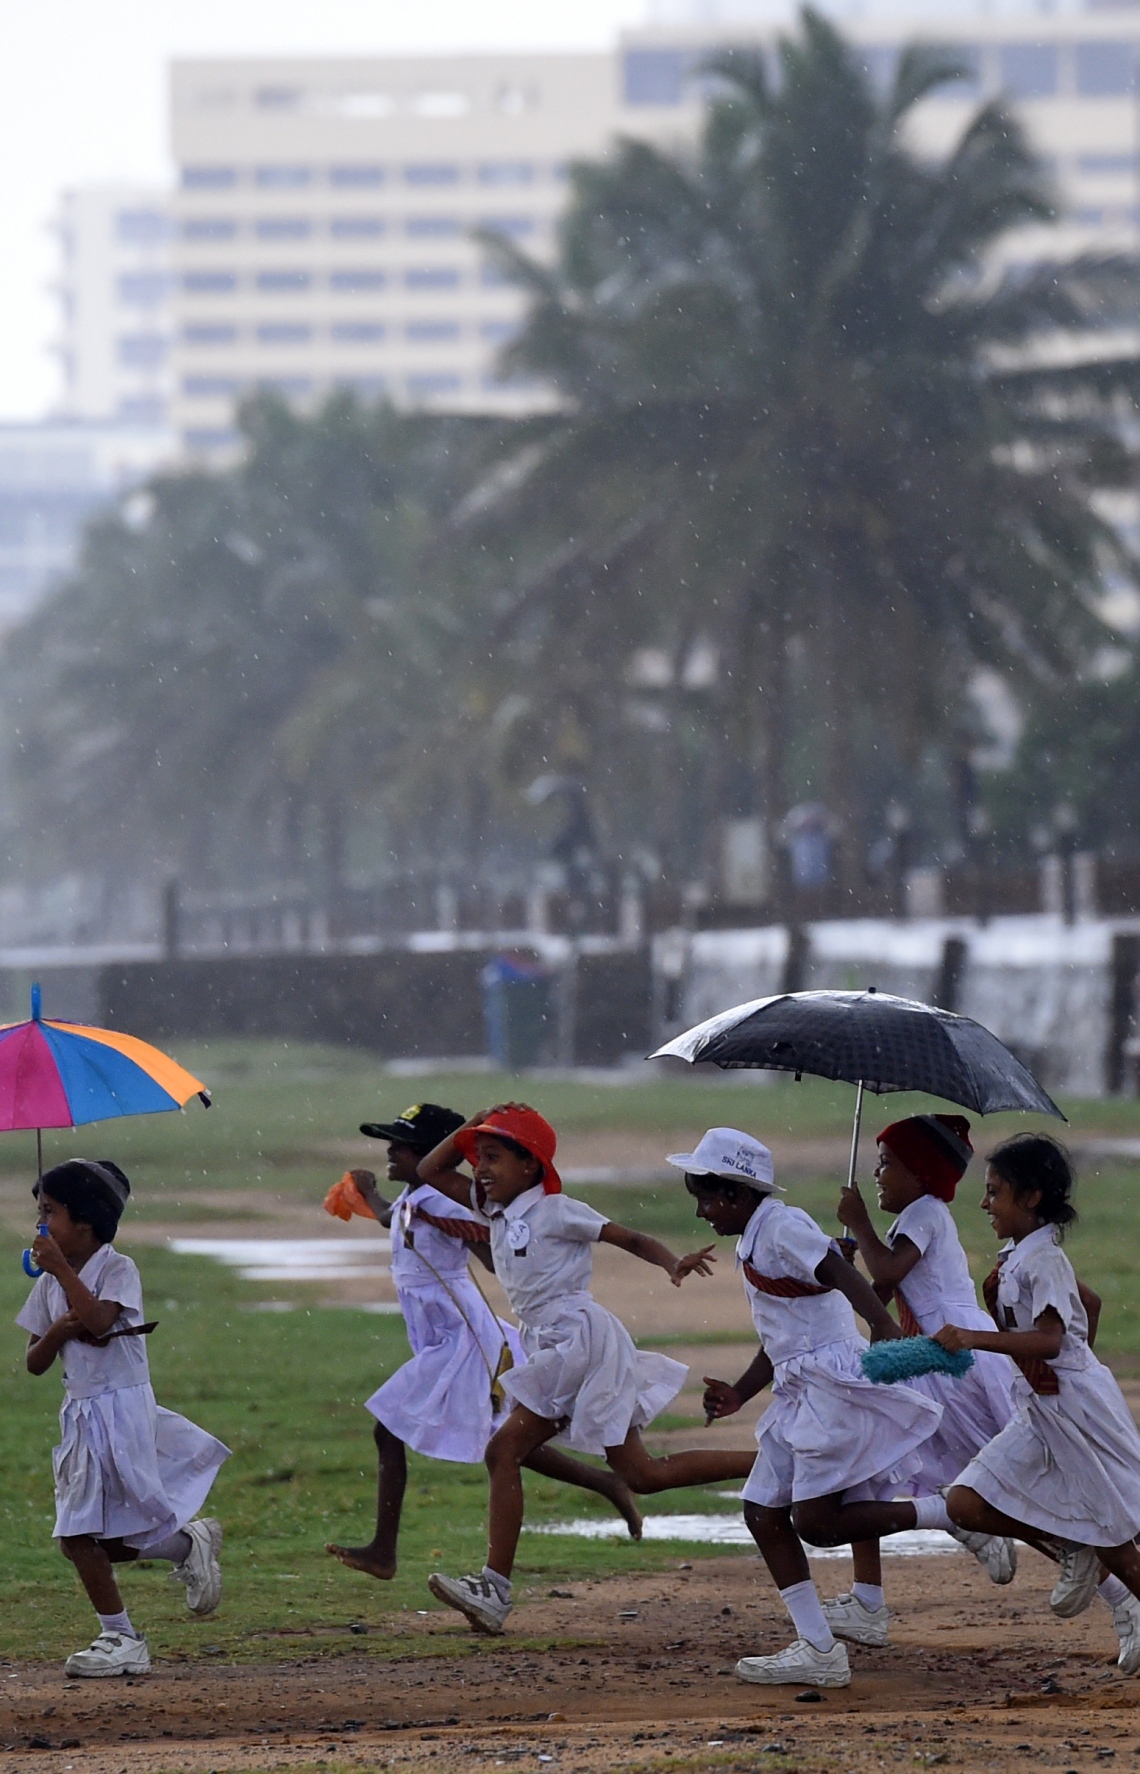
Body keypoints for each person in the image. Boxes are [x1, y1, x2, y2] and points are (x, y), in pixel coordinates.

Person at [418, 1104, 756, 1635]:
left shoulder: (556, 1210)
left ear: (532, 1166)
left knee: (502, 1450)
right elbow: (429, 1173)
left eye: (494, 1156)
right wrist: (475, 1123)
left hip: (578, 1341)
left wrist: (672, 1263)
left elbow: (630, 1239)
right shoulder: (493, 1209)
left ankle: (494, 1588)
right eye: (477, 1157)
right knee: (642, 1475)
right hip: (555, 1344)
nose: (480, 1168)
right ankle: (768, 1463)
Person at [325, 1102, 642, 1582]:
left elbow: (494, 1256)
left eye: (403, 1146)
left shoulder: (451, 1204)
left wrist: (474, 1230)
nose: (390, 1151)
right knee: (509, 1439)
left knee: (391, 1430)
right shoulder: (415, 1199)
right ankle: (607, 1482)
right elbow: (397, 1217)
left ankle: (383, 1552)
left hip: (463, 1336)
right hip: (440, 1336)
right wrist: (366, 1192)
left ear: (438, 1154)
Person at [688, 1127, 946, 1690]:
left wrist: (880, 1323)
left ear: (736, 1193)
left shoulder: (781, 1224)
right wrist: (740, 1391)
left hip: (830, 1384)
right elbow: (779, 1332)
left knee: (817, 1524)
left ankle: (946, 1513)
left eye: (707, 1198)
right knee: (761, 1511)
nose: (703, 1211)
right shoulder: (755, 1236)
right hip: (797, 1384)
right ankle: (819, 1649)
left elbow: (838, 1271)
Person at [18, 1159, 229, 1679]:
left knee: (76, 1537)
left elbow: (97, 1319)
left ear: (86, 1221)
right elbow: (34, 1361)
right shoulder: (47, 1285)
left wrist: (66, 1285)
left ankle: (122, 1637)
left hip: (122, 1409)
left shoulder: (117, 1268)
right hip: (81, 1412)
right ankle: (186, 1543)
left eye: (49, 1213)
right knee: (102, 1540)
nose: (39, 1226)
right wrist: (60, 1327)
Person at [939, 1134, 1140, 1677]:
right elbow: (1089, 1304)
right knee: (965, 1503)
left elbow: (1051, 1338)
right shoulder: (1022, 1257)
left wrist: (978, 1340)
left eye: (994, 1192)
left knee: (1120, 1542)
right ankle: (1075, 1543)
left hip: (1075, 1412)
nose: (985, 1204)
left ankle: (1113, 1581)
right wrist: (1053, 1368)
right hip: (1041, 1408)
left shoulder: (1043, 1259)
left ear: (1030, 1198)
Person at [829, 1114, 1020, 1646]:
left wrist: (859, 1223)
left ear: (920, 1174)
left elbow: (888, 1274)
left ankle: (1113, 1585)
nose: (878, 1173)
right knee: (878, 1458)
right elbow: (880, 1297)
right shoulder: (911, 1219)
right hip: (929, 1361)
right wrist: (844, 1266)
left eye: (888, 1163)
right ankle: (874, 1595)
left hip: (956, 1361)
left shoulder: (926, 1213)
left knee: (1009, 1478)